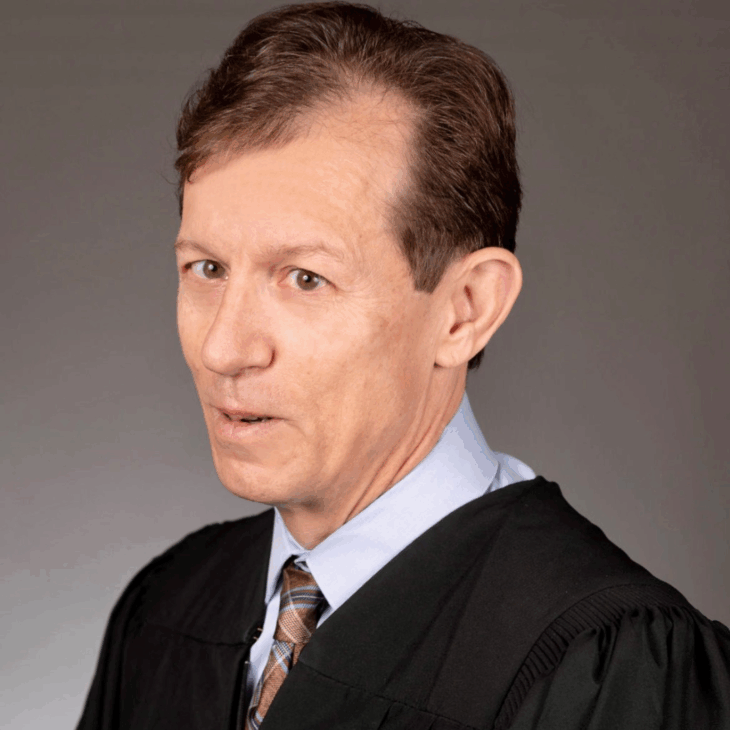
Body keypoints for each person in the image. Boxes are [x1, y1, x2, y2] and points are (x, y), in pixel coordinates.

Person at [76, 2, 730, 728]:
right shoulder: (168, 608)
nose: (222, 349)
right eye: (207, 268)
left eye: (305, 279)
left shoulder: (611, 667)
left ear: (465, 310)